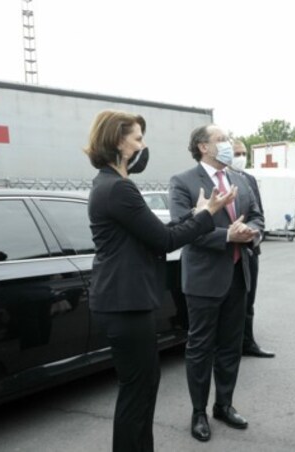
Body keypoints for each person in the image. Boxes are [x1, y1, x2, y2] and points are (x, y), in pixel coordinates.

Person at [85, 110, 235, 452]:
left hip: (123, 301)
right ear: (118, 142)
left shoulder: (110, 185)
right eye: (137, 138)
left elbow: (158, 232)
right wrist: (208, 214)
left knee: (142, 386)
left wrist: (197, 215)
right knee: (138, 391)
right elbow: (165, 241)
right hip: (125, 303)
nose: (143, 145)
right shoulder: (118, 188)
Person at [168, 124, 264, 443]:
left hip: (239, 275)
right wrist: (227, 235)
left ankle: (224, 404)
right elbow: (184, 227)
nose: (228, 144)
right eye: (221, 140)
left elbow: (257, 217)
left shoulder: (241, 179)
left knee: (230, 346)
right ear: (203, 147)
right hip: (204, 279)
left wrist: (252, 232)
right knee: (200, 348)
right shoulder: (183, 182)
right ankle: (199, 413)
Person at [230, 140, 275, 358]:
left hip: (250, 249)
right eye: (236, 153)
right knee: (229, 302)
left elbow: (258, 213)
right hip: (227, 249)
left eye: (243, 153)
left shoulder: (248, 179)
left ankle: (247, 343)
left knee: (249, 300)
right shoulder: (217, 178)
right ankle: (228, 346)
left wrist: (255, 234)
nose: (240, 156)